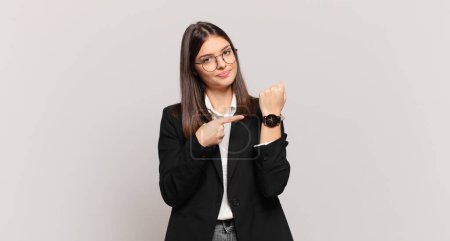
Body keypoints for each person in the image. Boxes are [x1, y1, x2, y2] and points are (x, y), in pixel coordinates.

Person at [158, 21, 293, 241]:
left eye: (226, 53)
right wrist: (199, 142)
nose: (222, 64)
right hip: (198, 233)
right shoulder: (174, 117)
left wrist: (271, 118)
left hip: (258, 230)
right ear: (193, 67)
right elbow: (171, 193)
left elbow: (273, 185)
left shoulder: (265, 111)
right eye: (207, 59)